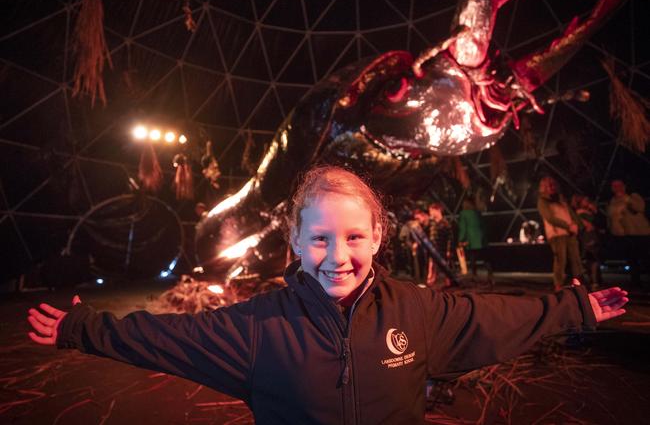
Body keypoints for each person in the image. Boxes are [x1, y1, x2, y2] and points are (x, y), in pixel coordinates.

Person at [28, 166, 628, 424]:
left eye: (353, 237)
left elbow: (491, 319)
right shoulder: (258, 327)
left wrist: (576, 306)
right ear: (294, 239)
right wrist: (81, 328)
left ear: (378, 237)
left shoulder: (416, 310)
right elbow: (170, 337)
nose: (336, 256)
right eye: (319, 238)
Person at [537, 176, 583, 291]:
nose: (551, 187)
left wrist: (578, 225)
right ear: (543, 188)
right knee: (560, 260)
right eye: (548, 185)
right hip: (557, 234)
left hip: (570, 233)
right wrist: (568, 226)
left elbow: (571, 213)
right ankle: (559, 286)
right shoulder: (543, 201)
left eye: (553, 185)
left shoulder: (561, 199)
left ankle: (578, 284)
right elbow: (550, 218)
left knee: (575, 259)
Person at [607, 179, 650, 286]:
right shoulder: (612, 201)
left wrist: (627, 200)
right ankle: (636, 281)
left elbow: (640, 208)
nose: (616, 188)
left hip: (639, 233)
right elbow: (611, 218)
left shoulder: (632, 196)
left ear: (624, 186)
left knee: (645, 258)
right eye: (614, 186)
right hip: (624, 234)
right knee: (631, 259)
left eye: (618, 185)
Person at [458, 198, 493, 285]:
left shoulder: (464, 214)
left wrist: (461, 239)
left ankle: (474, 276)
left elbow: (463, 228)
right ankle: (490, 274)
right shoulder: (477, 213)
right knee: (485, 258)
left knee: (472, 258)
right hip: (481, 240)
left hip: (472, 240)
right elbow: (483, 226)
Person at [572, 194, 603, 291]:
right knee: (590, 259)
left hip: (594, 236)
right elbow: (586, 225)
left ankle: (595, 281)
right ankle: (593, 281)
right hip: (587, 237)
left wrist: (594, 211)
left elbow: (598, 223)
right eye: (585, 200)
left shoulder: (591, 212)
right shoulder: (579, 213)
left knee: (594, 259)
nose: (588, 201)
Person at [427, 202, 454, 287]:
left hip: (442, 248)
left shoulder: (445, 223)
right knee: (432, 265)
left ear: (438, 210)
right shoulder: (432, 223)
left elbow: (450, 238)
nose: (430, 213)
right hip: (433, 249)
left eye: (432, 210)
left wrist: (449, 250)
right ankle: (431, 281)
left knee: (445, 265)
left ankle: (449, 281)